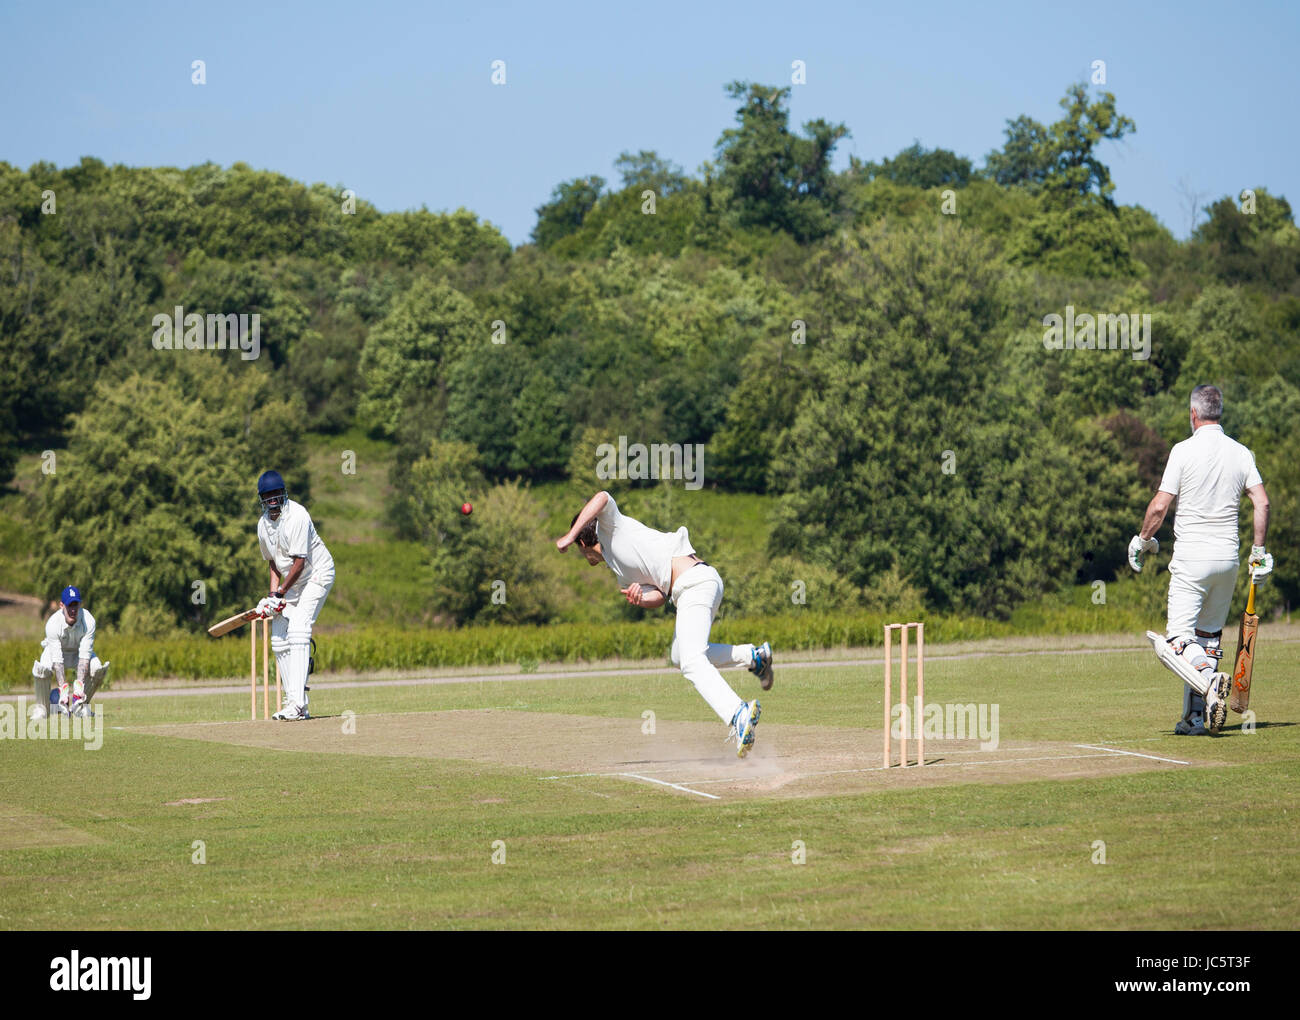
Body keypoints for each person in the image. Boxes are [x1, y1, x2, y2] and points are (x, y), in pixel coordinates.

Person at [555, 490, 772, 757]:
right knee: (680, 655)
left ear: (582, 542)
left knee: (692, 661)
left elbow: (602, 496)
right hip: (690, 588)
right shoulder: (617, 569)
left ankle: (738, 713)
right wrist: (640, 598)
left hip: (696, 583)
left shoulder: (611, 527)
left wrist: (568, 535)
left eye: (577, 546)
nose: (583, 558)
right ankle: (754, 656)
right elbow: (659, 595)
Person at [1130, 385, 1272, 735]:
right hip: (1228, 561)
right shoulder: (1241, 452)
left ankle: (1210, 680)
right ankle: (1195, 719)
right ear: (1218, 412)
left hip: (1192, 559)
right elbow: (1262, 503)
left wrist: (1142, 540)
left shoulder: (1183, 450)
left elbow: (1160, 506)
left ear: (1193, 414)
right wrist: (1258, 552)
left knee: (1176, 641)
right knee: (1206, 639)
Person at [255, 470, 335, 721]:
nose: (272, 499)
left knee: (299, 627)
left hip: (316, 574)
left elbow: (299, 563)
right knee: (278, 638)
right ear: (261, 498)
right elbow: (273, 564)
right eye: (267, 495)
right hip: (292, 584)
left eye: (276, 493)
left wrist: (279, 593)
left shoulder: (298, 515)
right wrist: (271, 597)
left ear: (284, 493)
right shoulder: (262, 525)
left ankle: (298, 705)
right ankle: (295, 702)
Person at [31, 585, 110, 719]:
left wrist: (79, 686)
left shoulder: (88, 621)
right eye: (69, 605)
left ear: (80, 604)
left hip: (77, 654)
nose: (73, 610)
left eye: (76, 605)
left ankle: (80, 706)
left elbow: (84, 657)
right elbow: (57, 660)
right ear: (62, 605)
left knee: (98, 669)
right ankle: (42, 709)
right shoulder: (52, 624)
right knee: (41, 670)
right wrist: (63, 689)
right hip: (55, 652)